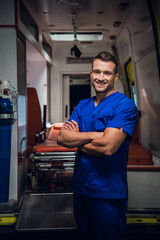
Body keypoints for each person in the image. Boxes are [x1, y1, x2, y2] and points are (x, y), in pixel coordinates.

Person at [57, 51, 137, 240]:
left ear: (116, 76)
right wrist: (95, 135)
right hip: (81, 190)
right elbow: (62, 138)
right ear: (91, 74)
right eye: (97, 72)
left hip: (107, 194)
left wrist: (77, 139)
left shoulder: (124, 105)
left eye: (107, 73)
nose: (101, 78)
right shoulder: (83, 105)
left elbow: (107, 148)